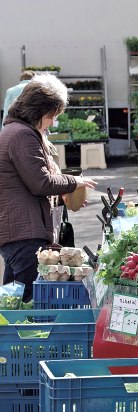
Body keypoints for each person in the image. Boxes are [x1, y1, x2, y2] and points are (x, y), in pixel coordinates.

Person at [0, 74, 97, 302]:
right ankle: (27, 338)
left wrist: (63, 199)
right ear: (38, 111)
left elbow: (27, 185)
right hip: (25, 235)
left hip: (18, 231)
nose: (53, 122)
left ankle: (14, 337)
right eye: (52, 115)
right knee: (29, 302)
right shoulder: (22, 135)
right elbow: (40, 183)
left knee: (12, 301)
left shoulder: (15, 131)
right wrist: (75, 182)